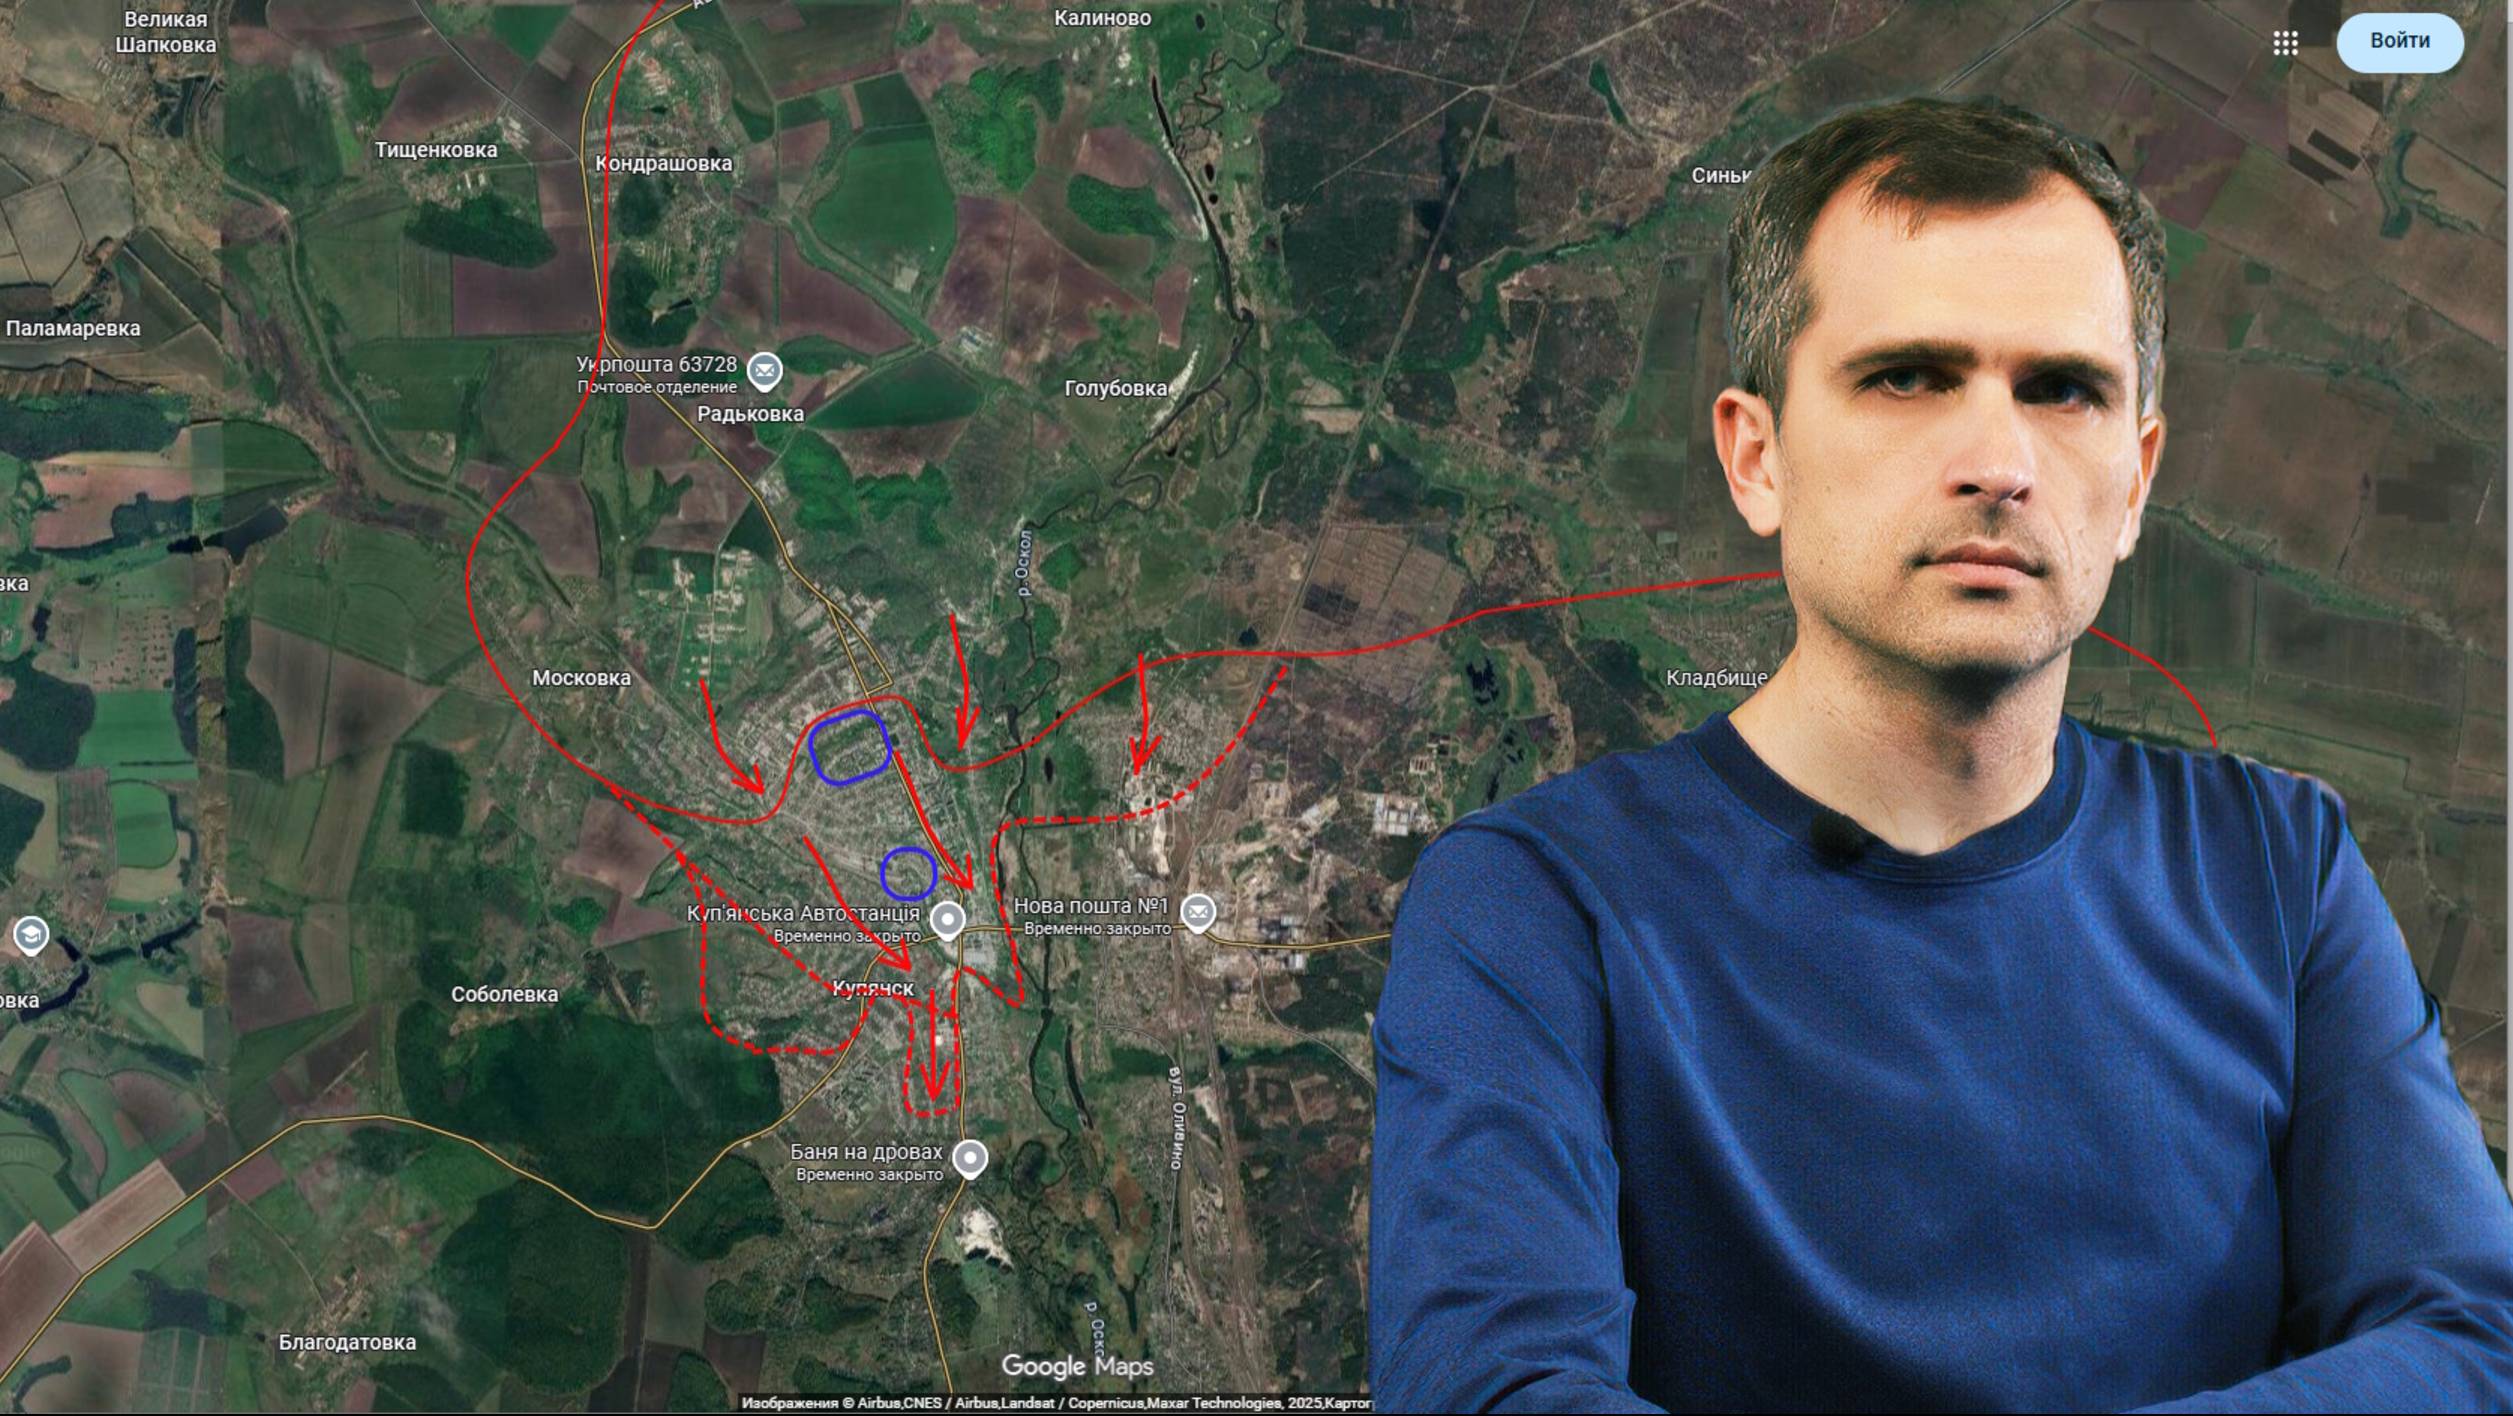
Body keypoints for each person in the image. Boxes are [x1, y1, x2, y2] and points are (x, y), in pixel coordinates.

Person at [1368, 94, 2513, 1412]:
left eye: (2063, 390)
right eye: (1906, 377)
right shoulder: (1534, 906)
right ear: (1756, 457)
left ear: (2136, 480)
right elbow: (1493, 1392)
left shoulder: (2276, 869)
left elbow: (2470, 1335)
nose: (1997, 462)